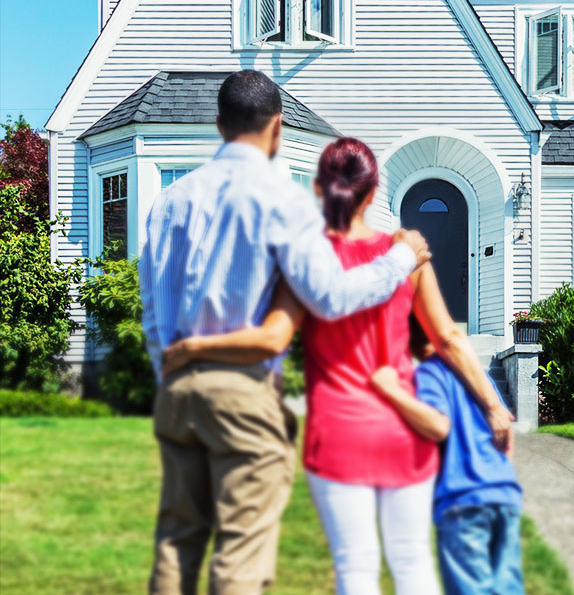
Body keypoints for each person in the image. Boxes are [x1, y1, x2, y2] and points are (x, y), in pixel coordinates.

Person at [163, 137, 513, 595]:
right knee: (412, 564)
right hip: (403, 432)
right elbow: (447, 337)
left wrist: (195, 347)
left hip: (337, 438)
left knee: (356, 570)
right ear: (373, 193)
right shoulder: (407, 257)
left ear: (317, 189)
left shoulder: (307, 265)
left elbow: (271, 338)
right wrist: (493, 406)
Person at [140, 70, 432, 595]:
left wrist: (169, 364)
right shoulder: (284, 199)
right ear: (277, 128)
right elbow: (330, 296)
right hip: (243, 390)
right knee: (241, 551)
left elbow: (154, 308)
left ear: (219, 125)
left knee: (177, 540)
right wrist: (399, 260)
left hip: (177, 387)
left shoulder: (170, 200)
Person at [371, 317, 525, 595]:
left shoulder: (429, 374)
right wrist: (503, 476)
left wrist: (392, 391)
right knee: (507, 587)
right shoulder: (477, 375)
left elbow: (437, 425)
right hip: (503, 494)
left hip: (462, 500)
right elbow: (506, 426)